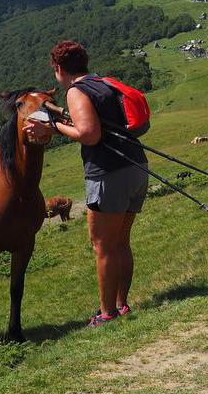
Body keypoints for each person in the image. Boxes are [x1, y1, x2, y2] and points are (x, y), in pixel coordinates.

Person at [25, 40, 148, 326]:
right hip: (136, 166)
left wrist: (51, 127)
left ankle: (107, 314)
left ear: (58, 68)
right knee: (121, 242)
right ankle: (121, 304)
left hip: (108, 173)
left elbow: (89, 134)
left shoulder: (76, 91)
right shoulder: (100, 84)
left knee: (102, 245)